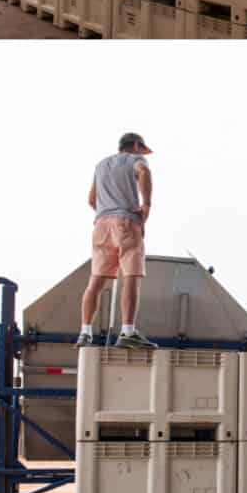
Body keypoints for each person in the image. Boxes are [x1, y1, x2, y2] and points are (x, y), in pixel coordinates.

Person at [76, 132, 157, 349]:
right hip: (126, 223)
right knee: (131, 276)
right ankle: (128, 332)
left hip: (101, 225)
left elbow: (91, 200)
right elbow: (144, 171)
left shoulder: (101, 165)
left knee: (96, 281)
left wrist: (107, 212)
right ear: (137, 145)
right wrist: (146, 205)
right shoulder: (135, 160)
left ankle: (85, 332)